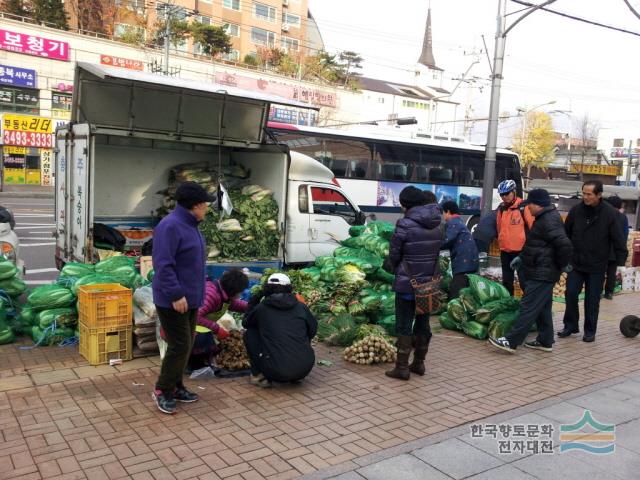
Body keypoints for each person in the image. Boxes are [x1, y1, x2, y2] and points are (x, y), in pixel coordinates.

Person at [152, 181, 214, 414]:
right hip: (173, 299)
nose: (207, 208)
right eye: (205, 204)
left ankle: (177, 386)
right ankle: (163, 390)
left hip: (191, 298)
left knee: (186, 343)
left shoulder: (191, 224)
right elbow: (163, 265)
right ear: (196, 206)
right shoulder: (171, 226)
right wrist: (176, 294)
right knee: (180, 345)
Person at [488, 189, 573, 353]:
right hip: (540, 268)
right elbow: (536, 244)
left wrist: (563, 264)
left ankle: (511, 341)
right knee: (543, 307)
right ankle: (545, 340)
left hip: (543, 272)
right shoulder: (543, 218)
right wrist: (522, 258)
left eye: (530, 205)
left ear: (537, 204)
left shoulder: (549, 220)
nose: (528, 209)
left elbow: (564, 245)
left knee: (528, 306)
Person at [558, 180, 628, 342]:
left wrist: (621, 263)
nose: (585, 197)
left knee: (592, 300)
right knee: (571, 294)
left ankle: (590, 331)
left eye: (589, 194)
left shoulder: (610, 214)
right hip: (576, 263)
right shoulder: (576, 211)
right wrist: (564, 255)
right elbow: (565, 234)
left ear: (599, 195)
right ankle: (570, 325)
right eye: (584, 193)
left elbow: (618, 239)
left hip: (597, 264)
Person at [385, 186, 442, 380]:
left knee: (404, 325)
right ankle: (419, 363)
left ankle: (401, 367)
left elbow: (394, 254)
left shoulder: (405, 224)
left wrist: (390, 267)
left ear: (404, 204)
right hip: (428, 285)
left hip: (408, 284)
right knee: (423, 324)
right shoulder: (437, 223)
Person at [243, 273, 317, 388]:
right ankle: (296, 369)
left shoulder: (262, 309)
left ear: (266, 290)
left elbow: (246, 323)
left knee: (250, 333)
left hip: (274, 371)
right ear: (289, 288)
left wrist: (255, 299)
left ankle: (258, 375)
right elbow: (312, 330)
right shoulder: (301, 307)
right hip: (304, 368)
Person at [188, 269, 249, 372]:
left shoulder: (223, 292)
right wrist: (217, 329)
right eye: (240, 292)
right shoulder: (211, 294)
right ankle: (192, 362)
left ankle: (201, 358)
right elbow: (195, 316)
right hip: (183, 326)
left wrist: (252, 307)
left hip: (196, 326)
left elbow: (234, 304)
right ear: (233, 290)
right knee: (204, 338)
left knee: (210, 340)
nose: (240, 295)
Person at [495, 180, 534, 295]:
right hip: (505, 251)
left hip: (521, 252)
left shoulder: (523, 207)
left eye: (507, 193)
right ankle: (509, 304)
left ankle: (530, 307)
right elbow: (499, 228)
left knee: (524, 281)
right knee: (507, 282)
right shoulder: (501, 209)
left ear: (514, 192)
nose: (504, 197)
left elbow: (533, 227)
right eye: (502, 194)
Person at [440, 200, 479, 299]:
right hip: (470, 260)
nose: (443, 216)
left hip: (463, 261)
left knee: (456, 289)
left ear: (448, 211)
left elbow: (447, 240)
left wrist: (433, 245)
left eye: (443, 213)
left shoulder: (453, 222)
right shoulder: (459, 221)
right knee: (465, 289)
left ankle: (457, 310)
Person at [603, 195, 629, 299]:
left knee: (600, 272)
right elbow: (625, 234)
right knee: (611, 273)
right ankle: (609, 293)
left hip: (603, 249)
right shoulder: (623, 217)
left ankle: (598, 291)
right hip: (615, 250)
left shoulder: (604, 214)